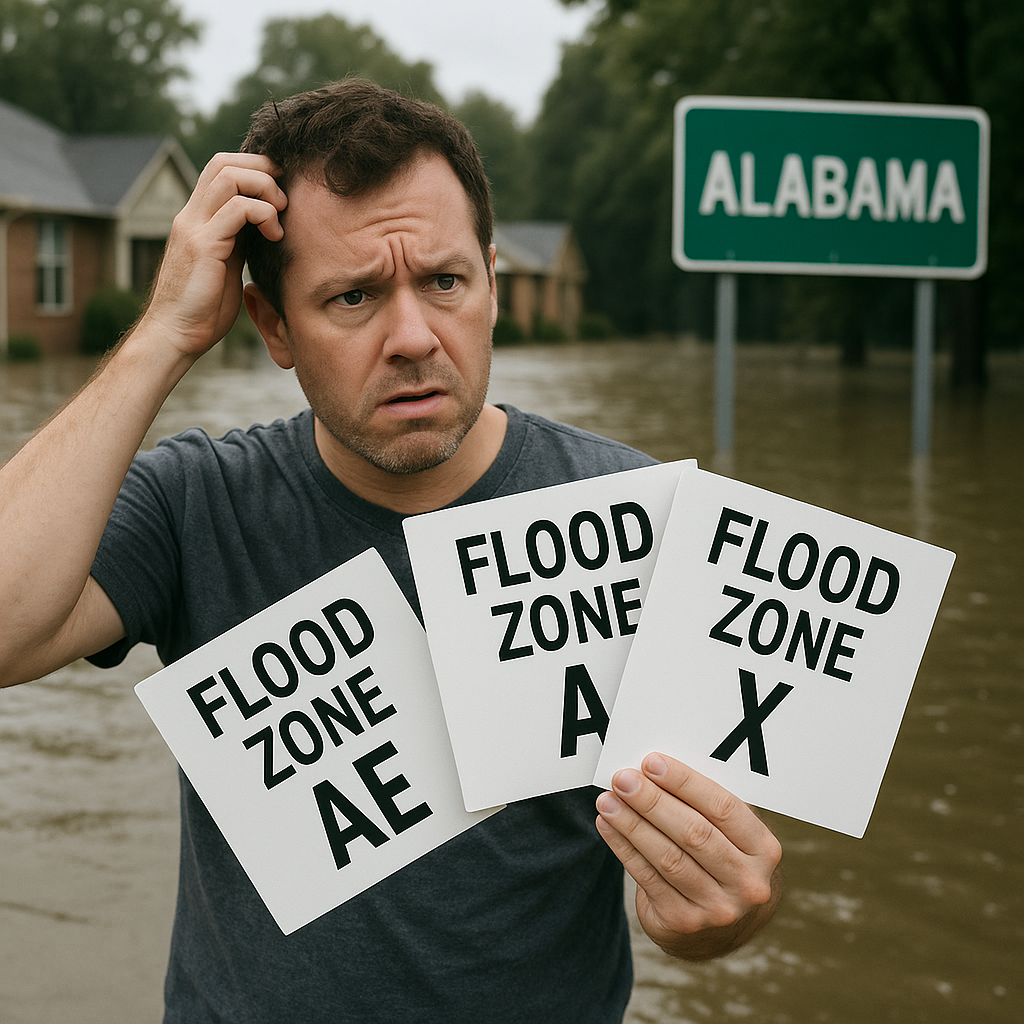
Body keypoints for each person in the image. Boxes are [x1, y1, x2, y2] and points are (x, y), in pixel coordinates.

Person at [0, 79, 781, 1023]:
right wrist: (163, 334)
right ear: (275, 327)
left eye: (445, 282)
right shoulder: (197, 504)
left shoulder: (642, 523)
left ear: (492, 283)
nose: (413, 338)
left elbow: (712, 899)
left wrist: (713, 918)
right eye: (354, 296)